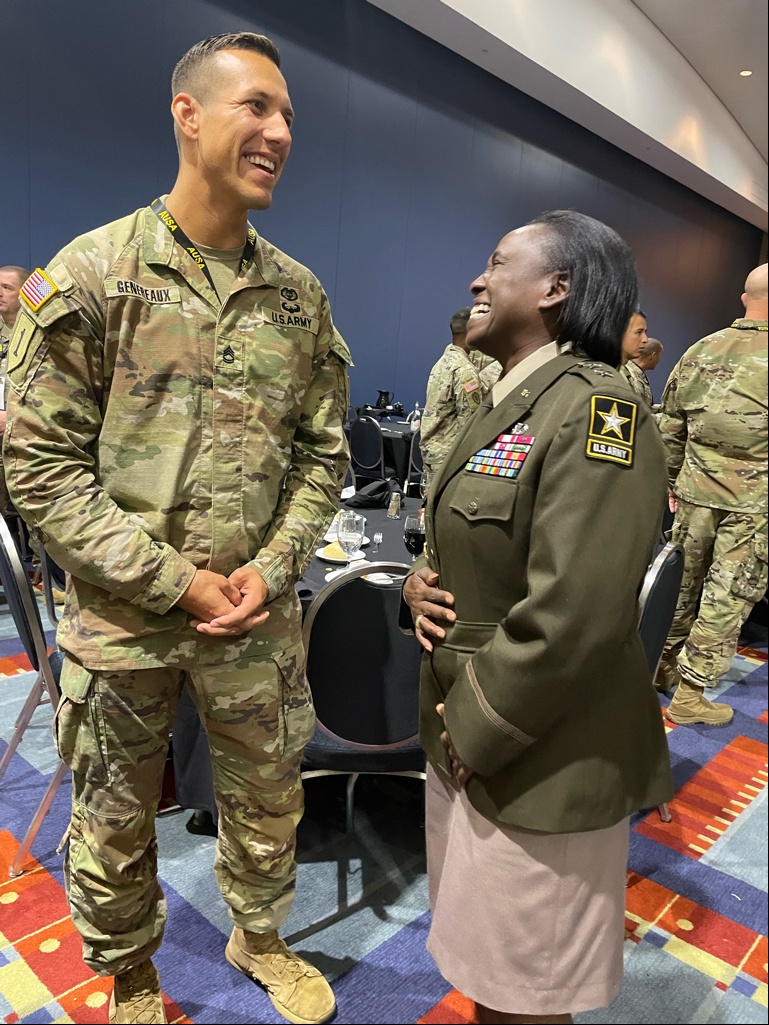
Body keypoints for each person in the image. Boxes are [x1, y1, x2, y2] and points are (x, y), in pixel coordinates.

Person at [3, 33, 351, 1025]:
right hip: (125, 620)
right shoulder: (92, 274)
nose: (279, 132)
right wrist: (175, 581)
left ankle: (260, 935)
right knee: (113, 816)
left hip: (256, 615)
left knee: (269, 796)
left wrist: (274, 565)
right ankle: (129, 973)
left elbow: (323, 456)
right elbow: (39, 468)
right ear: (187, 115)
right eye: (256, 107)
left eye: (288, 115)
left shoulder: (299, 296)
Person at [403, 210, 672, 1024]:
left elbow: (578, 612)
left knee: (527, 992)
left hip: (533, 743)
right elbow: (485, 541)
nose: (477, 280)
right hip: (474, 735)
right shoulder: (509, 402)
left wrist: (475, 725)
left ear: (556, 289)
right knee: (492, 972)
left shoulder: (598, 413)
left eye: (496, 262)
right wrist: (422, 579)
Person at [657, 263, 768, 726]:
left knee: (680, 582)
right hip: (755, 504)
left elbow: (671, 424)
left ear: (745, 298)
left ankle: (659, 667)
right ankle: (690, 693)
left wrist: (670, 481)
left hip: (694, 492)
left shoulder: (701, 348)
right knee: (729, 593)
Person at [420, 307, 500, 477]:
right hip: (449, 456)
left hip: (433, 451)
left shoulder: (443, 362)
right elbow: (470, 421)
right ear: (471, 331)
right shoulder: (465, 370)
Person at [0, 266, 30, 509]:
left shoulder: (42, 332)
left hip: (29, 442)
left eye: (6, 288)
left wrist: (11, 419)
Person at [619, 308, 650, 401]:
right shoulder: (607, 375)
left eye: (645, 332)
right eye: (639, 332)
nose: (645, 339)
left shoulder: (629, 373)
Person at [630, 337, 663, 406]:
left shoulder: (638, 375)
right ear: (653, 356)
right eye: (659, 356)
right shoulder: (632, 378)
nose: (659, 360)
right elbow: (638, 411)